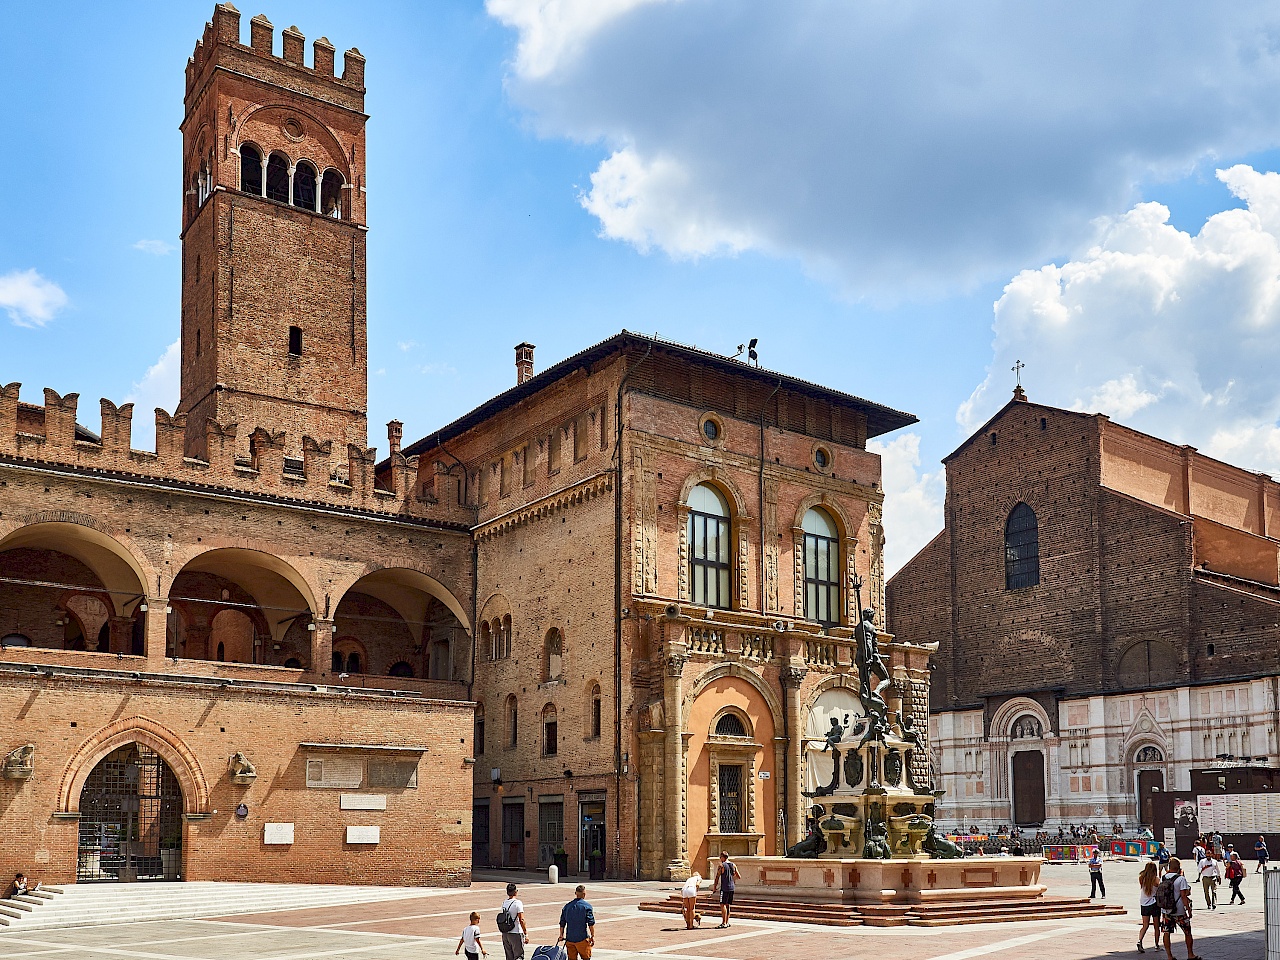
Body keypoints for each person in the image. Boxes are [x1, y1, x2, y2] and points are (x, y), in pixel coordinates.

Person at [1157, 857, 1200, 960]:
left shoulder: (1163, 878)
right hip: (1179, 910)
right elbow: (1184, 895)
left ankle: (1169, 956)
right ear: (1179, 867)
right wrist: (1188, 910)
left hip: (1166, 910)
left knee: (1166, 933)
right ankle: (1190, 954)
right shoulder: (1181, 879)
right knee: (1187, 932)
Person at [556, 884, 596, 960]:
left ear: (575, 893)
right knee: (586, 958)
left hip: (569, 938)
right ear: (584, 894)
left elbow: (562, 922)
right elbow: (591, 923)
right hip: (582, 938)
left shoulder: (567, 906)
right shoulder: (587, 906)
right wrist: (592, 936)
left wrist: (561, 935)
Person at [498, 882, 528, 960]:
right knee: (518, 956)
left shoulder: (504, 903)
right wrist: (525, 933)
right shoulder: (518, 903)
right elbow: (521, 919)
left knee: (509, 956)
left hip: (505, 932)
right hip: (516, 932)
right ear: (515, 892)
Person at [710, 851, 740, 928]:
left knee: (722, 904)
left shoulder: (721, 866)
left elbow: (717, 877)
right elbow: (738, 876)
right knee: (728, 905)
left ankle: (724, 923)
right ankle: (727, 922)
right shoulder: (733, 865)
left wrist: (714, 887)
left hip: (725, 888)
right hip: (731, 887)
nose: (720, 859)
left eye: (720, 857)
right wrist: (731, 880)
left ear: (723, 857)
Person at [1136, 861, 1160, 954]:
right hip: (1154, 903)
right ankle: (1157, 945)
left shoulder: (1141, 878)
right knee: (1156, 926)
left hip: (1144, 903)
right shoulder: (1156, 879)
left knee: (1145, 925)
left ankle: (1140, 941)